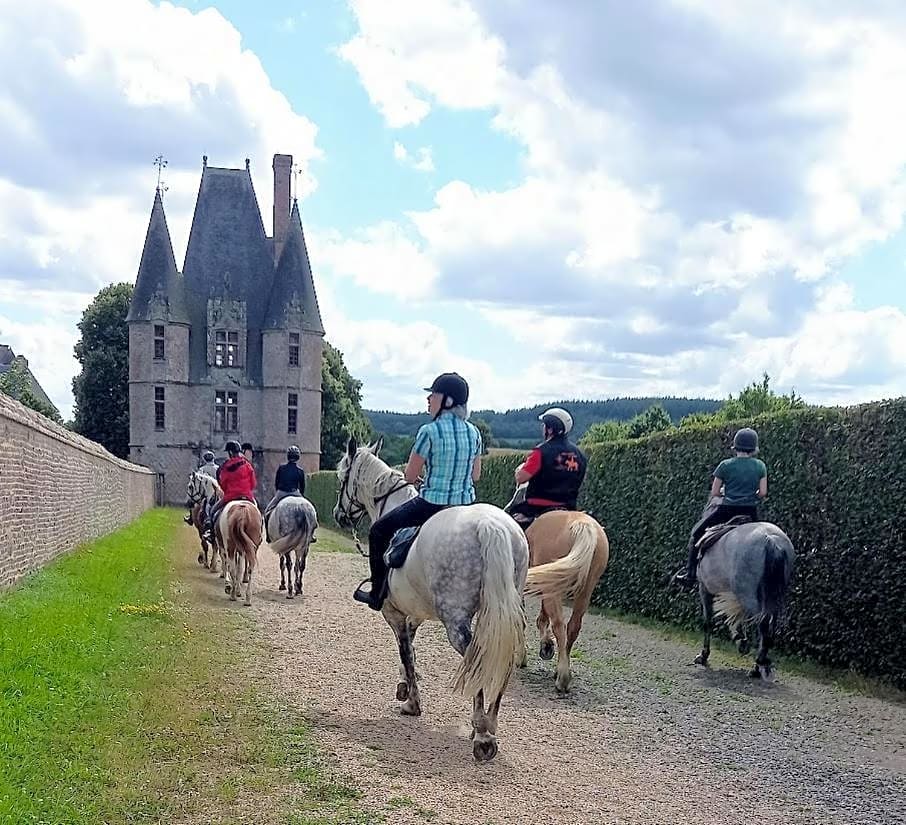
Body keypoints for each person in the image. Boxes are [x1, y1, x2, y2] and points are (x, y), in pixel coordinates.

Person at [353, 372, 482, 611]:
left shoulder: (428, 431)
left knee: (378, 531)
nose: (429, 399)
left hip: (431, 505)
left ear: (448, 401)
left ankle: (377, 593)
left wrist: (427, 479)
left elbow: (410, 477)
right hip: (466, 507)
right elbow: (475, 475)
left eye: (433, 395)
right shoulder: (474, 433)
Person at [673, 427, 768, 589]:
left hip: (727, 510)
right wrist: (751, 494)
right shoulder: (760, 466)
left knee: (696, 534)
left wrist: (727, 493)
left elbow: (715, 492)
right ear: (754, 448)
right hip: (751, 512)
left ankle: (690, 576)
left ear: (736, 447)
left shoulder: (725, 466)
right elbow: (763, 492)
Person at [505, 407, 587, 530]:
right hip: (569, 508)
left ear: (549, 429)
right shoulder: (580, 455)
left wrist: (520, 469)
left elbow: (521, 478)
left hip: (537, 508)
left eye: (544, 425)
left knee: (508, 528)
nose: (542, 428)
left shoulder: (540, 452)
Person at [202, 440, 258, 542]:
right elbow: (253, 483)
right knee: (257, 513)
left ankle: (210, 532)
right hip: (247, 496)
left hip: (230, 497)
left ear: (230, 452)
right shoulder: (247, 465)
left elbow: (222, 484)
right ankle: (258, 534)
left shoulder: (226, 466)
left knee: (212, 511)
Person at [263, 445, 311, 542]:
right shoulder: (300, 471)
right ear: (298, 457)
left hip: (282, 492)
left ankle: (268, 536)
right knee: (309, 510)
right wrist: (301, 496)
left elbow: (277, 483)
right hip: (295, 493)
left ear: (288, 456)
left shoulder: (281, 468)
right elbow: (302, 487)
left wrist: (279, 491)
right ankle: (311, 534)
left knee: (267, 512)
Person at [184, 450, 218, 524]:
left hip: (207, 492)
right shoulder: (218, 468)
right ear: (213, 459)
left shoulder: (202, 469)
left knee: (194, 498)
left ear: (205, 459)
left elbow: (198, 482)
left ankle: (190, 517)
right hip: (217, 491)